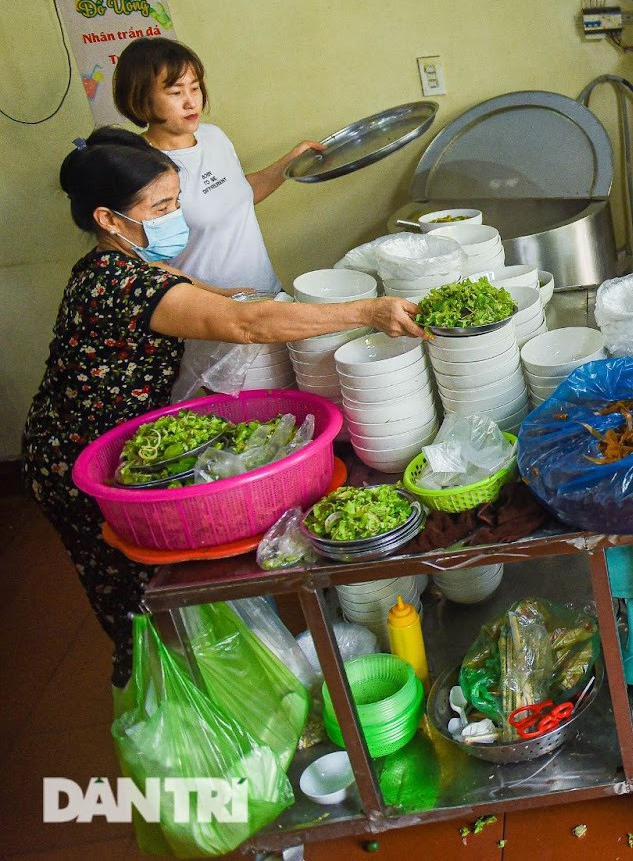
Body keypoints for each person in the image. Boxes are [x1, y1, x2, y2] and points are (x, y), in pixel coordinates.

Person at [20, 128, 423, 686]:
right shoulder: (117, 285)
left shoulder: (125, 264)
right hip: (80, 461)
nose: (174, 217)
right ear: (109, 219)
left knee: (166, 597)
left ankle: (210, 681)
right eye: (160, 207)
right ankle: (166, 701)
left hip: (117, 445)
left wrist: (232, 295)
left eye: (176, 202)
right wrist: (368, 311)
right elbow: (245, 327)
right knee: (138, 603)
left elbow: (196, 288)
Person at [112, 37, 323, 294]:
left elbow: (237, 194)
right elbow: (149, 265)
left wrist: (292, 163)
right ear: (140, 99)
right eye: (176, 92)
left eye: (195, 88)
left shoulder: (214, 136)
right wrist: (224, 298)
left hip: (266, 294)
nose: (191, 102)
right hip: (212, 314)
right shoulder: (141, 166)